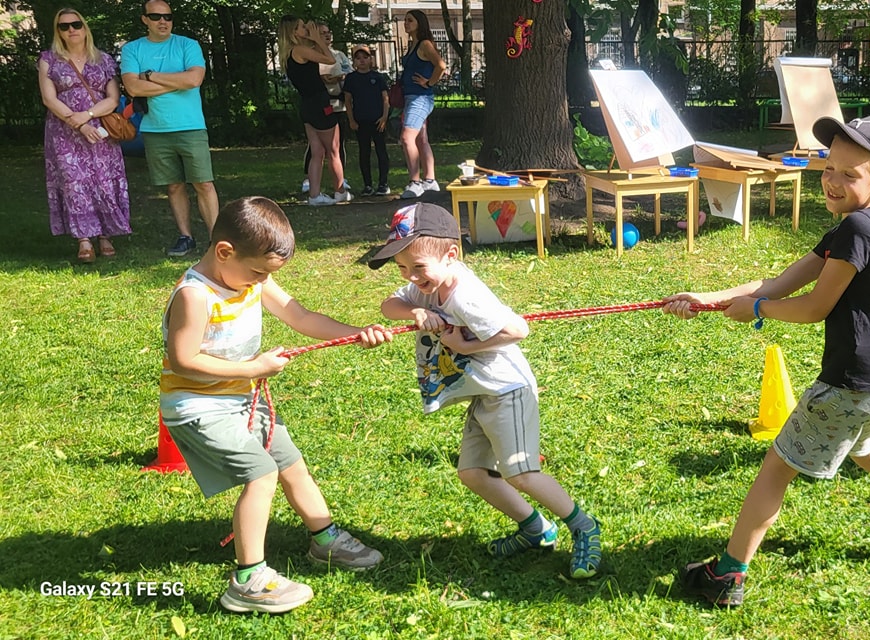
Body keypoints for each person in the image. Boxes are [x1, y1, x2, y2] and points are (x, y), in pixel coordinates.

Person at [665, 116, 870, 608]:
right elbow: (779, 283)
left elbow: (813, 307)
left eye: (850, 174)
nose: (832, 180)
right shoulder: (858, 226)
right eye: (829, 168)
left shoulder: (858, 228)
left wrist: (759, 311)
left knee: (775, 470)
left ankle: (727, 575)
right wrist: (710, 297)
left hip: (849, 388)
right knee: (869, 453)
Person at [160, 196, 392, 613]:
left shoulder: (252, 279)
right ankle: (248, 580)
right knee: (262, 473)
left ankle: (325, 540)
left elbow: (300, 316)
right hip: (198, 406)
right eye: (257, 272)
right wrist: (253, 368)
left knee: (291, 465)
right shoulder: (195, 296)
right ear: (224, 251)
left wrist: (357, 332)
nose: (261, 281)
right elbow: (183, 359)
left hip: (241, 398)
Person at [370, 203, 603, 580]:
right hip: (483, 392)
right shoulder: (426, 286)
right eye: (402, 268)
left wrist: (466, 346)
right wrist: (414, 312)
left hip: (507, 389)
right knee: (472, 473)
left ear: (450, 255)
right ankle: (536, 529)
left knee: (521, 473)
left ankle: (584, 526)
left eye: (418, 267)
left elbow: (517, 330)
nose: (411, 277)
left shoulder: (465, 296)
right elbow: (388, 305)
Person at [120, 0, 219, 257]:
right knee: (173, 186)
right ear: (145, 20)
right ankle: (186, 237)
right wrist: (177, 82)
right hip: (155, 129)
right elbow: (133, 88)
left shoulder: (188, 45)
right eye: (155, 17)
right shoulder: (132, 49)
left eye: (167, 16)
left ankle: (216, 239)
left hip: (191, 126)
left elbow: (194, 79)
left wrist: (151, 76)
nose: (163, 21)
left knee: (203, 183)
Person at [38, 8, 130, 263]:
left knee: (103, 179)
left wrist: (88, 116)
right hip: (64, 131)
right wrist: (77, 123)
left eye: (76, 24)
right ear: (58, 31)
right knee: (74, 181)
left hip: (100, 128)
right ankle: (84, 239)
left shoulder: (103, 60)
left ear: (84, 27)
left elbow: (113, 98)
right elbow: (49, 98)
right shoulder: (49, 59)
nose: (71, 30)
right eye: (64, 26)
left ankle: (105, 234)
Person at [278, 16, 350, 207]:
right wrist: (318, 38)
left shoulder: (289, 54)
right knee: (333, 150)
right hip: (320, 104)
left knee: (317, 151)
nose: (306, 29)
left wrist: (314, 38)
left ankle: (315, 195)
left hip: (307, 105)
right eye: (302, 27)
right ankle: (340, 191)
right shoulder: (300, 50)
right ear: (293, 31)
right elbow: (330, 59)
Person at [398, 10, 446, 200]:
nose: (406, 23)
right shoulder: (413, 45)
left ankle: (415, 182)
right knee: (421, 140)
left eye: (410, 20)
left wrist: (429, 82)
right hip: (411, 97)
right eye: (405, 20)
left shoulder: (425, 44)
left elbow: (441, 65)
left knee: (406, 138)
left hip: (420, 98)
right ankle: (430, 180)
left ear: (420, 23)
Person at [299, 23, 352, 194]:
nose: (327, 36)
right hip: (319, 103)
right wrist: (323, 79)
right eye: (322, 33)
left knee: (337, 144)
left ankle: (340, 179)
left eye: (329, 32)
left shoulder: (339, 55)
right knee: (315, 146)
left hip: (337, 104)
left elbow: (349, 73)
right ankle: (310, 179)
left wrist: (339, 78)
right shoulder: (308, 54)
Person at [344, 44, 391, 196]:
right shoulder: (351, 78)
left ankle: (383, 183)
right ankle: (368, 185)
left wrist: (384, 117)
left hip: (377, 120)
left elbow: (385, 99)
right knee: (364, 152)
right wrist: (351, 120)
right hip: (360, 121)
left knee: (381, 151)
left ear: (371, 59)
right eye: (358, 58)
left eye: (365, 57)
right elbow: (348, 101)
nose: (362, 61)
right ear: (354, 61)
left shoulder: (378, 77)